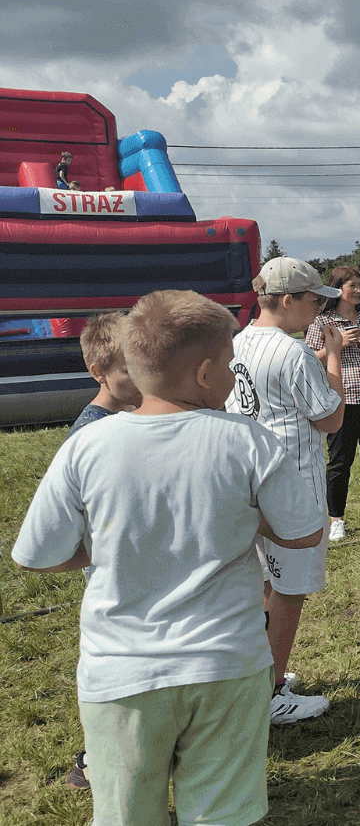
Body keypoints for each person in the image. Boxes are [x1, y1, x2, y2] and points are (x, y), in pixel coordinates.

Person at [12, 289, 325, 826]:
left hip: (121, 672)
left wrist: (106, 548)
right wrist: (241, 518)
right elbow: (302, 535)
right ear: (205, 374)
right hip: (226, 663)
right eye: (231, 364)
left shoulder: (87, 447)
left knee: (127, 815)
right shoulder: (248, 441)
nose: (234, 375)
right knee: (225, 814)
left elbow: (37, 555)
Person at [224, 257, 345, 724]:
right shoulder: (292, 352)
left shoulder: (237, 343)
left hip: (247, 480)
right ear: (288, 299)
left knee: (264, 585)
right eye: (314, 300)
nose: (318, 310)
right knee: (291, 588)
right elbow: (330, 417)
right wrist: (333, 356)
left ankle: (261, 674)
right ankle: (271, 692)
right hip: (293, 482)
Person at [63, 311, 144, 790]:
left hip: (147, 577)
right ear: (99, 374)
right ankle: (94, 759)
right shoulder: (88, 435)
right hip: (115, 588)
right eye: (126, 370)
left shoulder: (140, 419)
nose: (139, 378)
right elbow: (66, 538)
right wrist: (105, 552)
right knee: (116, 675)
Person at [306, 266, 360, 541]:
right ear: (337, 289)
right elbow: (308, 359)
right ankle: (337, 519)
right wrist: (338, 345)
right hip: (341, 401)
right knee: (339, 463)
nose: (357, 290)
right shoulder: (322, 321)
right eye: (351, 286)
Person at [67, 312, 143, 437]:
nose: (144, 379)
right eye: (130, 371)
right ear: (99, 372)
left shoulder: (138, 408)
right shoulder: (89, 432)